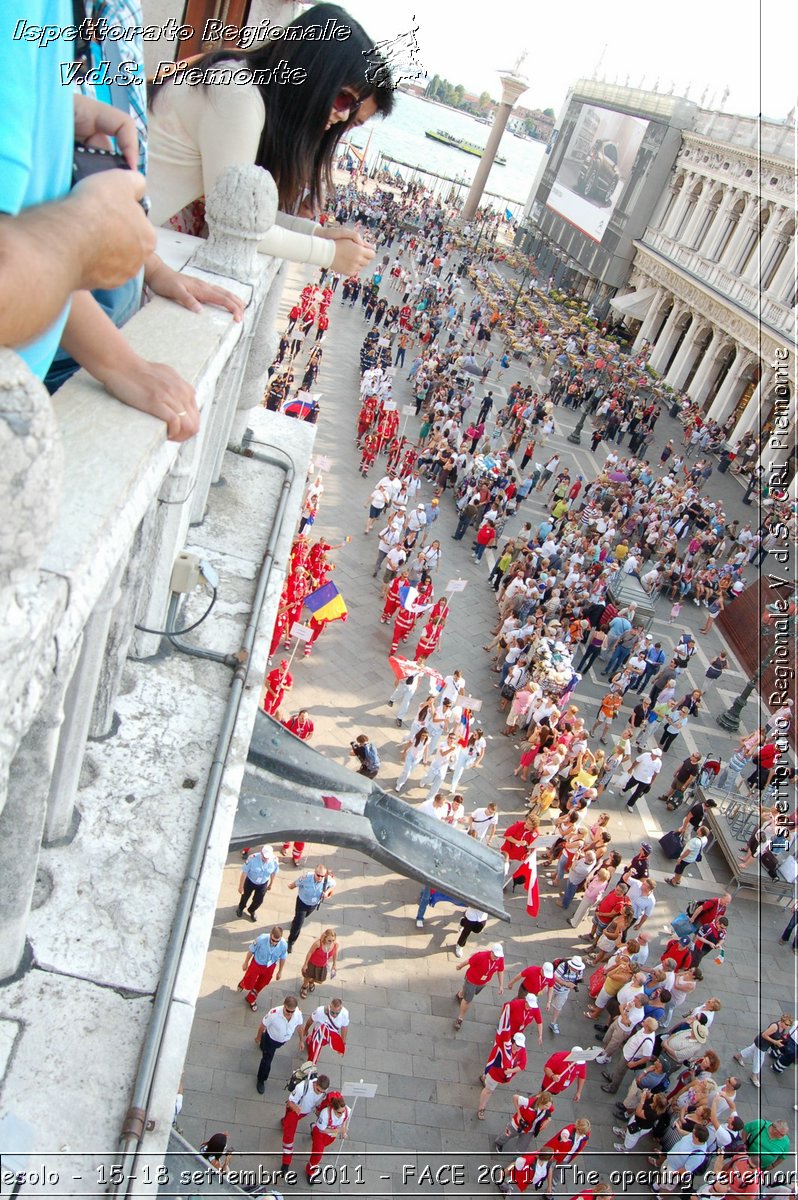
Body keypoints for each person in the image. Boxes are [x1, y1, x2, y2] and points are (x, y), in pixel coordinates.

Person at [147, 3, 393, 277]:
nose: (342, 115)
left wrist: (318, 232)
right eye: (343, 98)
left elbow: (246, 210)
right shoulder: (238, 96)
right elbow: (237, 222)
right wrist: (328, 253)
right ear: (311, 72)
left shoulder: (241, 84)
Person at [280, 1070, 330, 1172]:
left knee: (286, 1125)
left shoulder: (324, 1091)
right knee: (288, 1138)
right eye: (318, 1090)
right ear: (316, 1083)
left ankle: (284, 1122)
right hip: (294, 1112)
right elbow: (290, 1102)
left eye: (322, 1091)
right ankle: (286, 1163)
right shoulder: (301, 1087)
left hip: (304, 1112)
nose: (319, 1093)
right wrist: (296, 1109)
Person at [254, 994, 303, 1093]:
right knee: (266, 1061)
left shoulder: (297, 1013)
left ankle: (263, 1044)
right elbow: (263, 1025)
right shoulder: (274, 1014)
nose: (289, 1013)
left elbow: (300, 1026)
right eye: (287, 1010)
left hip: (282, 1040)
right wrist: (258, 1037)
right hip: (271, 1039)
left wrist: (301, 1040)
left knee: (267, 1049)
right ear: (283, 1006)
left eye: (291, 1011)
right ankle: (261, 1079)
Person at [453, 943, 505, 1031]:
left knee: (467, 991)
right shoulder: (481, 956)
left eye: (498, 956)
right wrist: (460, 966)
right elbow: (469, 961)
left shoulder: (500, 959)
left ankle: (460, 994)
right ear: (491, 952)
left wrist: (501, 985)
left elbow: (500, 970)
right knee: (467, 1000)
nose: (497, 958)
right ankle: (460, 1019)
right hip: (471, 980)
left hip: (483, 982)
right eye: (495, 956)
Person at [477, 1032, 528, 1119]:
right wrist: (487, 1071)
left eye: (520, 1046)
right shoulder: (502, 1048)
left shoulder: (521, 1050)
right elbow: (492, 1059)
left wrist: (511, 1071)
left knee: (489, 1088)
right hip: (495, 1074)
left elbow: (522, 1065)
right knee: (488, 1091)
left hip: (504, 1076)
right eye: (517, 1045)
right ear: (512, 1041)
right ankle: (481, 1108)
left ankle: (484, 1078)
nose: (519, 1048)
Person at [735, 1014, 794, 1088]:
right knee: (759, 1060)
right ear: (782, 1021)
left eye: (789, 1025)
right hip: (762, 1043)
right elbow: (764, 1035)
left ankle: (738, 1056)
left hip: (765, 1044)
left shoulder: (782, 1027)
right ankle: (754, 1075)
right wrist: (775, 1042)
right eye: (786, 1024)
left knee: (752, 1049)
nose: (787, 1026)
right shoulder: (775, 1027)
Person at [238, 925, 288, 1012]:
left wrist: (280, 971)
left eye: (277, 941)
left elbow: (283, 958)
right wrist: (246, 962)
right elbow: (251, 950)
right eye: (272, 940)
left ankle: (251, 998)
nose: (274, 943)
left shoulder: (283, 945)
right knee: (249, 984)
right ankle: (244, 982)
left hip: (270, 965)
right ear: (270, 935)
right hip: (257, 963)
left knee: (263, 983)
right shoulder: (261, 939)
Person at [286, 865, 336, 951]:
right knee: (299, 924)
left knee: (302, 917)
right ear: (314, 872)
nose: (320, 877)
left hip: (313, 904)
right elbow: (295, 884)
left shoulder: (327, 880)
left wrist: (327, 892)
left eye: (322, 876)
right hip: (302, 903)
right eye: (318, 875)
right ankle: (291, 941)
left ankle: (295, 921)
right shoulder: (306, 878)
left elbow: (334, 885)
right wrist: (290, 886)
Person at [305, 1091, 351, 1183]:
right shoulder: (325, 1114)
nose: (341, 1114)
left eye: (343, 1111)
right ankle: (310, 1171)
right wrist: (338, 1131)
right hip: (321, 1134)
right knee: (317, 1155)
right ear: (333, 1108)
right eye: (339, 1112)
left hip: (331, 1136)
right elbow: (322, 1130)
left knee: (325, 1144)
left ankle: (313, 1127)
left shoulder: (347, 1110)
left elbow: (345, 1119)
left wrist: (344, 1130)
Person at [495, 1090, 556, 1154]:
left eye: (549, 1106)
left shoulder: (548, 1107)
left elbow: (550, 1112)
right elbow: (515, 1097)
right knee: (507, 1134)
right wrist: (519, 1114)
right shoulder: (529, 1102)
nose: (548, 1108)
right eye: (546, 1106)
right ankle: (499, 1143)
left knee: (523, 1145)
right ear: (541, 1102)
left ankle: (518, 1155)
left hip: (530, 1130)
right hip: (517, 1124)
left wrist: (549, 1119)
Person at [300, 997, 350, 1064]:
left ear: (341, 1009)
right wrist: (305, 1029)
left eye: (337, 1013)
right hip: (318, 1032)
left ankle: (310, 1040)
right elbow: (311, 1019)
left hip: (330, 1034)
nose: (334, 1015)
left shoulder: (345, 1014)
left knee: (319, 1044)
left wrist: (343, 1043)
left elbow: (344, 1027)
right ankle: (310, 1066)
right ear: (330, 1007)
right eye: (332, 1012)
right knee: (314, 1054)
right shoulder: (320, 1011)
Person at [236, 845, 279, 921]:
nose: (266, 859)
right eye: (264, 857)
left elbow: (273, 873)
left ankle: (251, 910)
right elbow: (244, 873)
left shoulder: (274, 861)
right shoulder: (252, 858)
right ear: (261, 853)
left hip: (263, 883)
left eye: (267, 858)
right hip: (250, 881)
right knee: (245, 896)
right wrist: (241, 886)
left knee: (259, 900)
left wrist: (271, 883)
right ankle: (241, 908)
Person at [299, 928, 338, 1000]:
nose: (331, 942)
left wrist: (334, 964)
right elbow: (310, 953)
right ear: (325, 937)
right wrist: (305, 964)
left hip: (322, 966)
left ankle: (311, 982)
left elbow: (335, 953)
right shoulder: (318, 944)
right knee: (307, 976)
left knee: (319, 978)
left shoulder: (335, 945)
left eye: (333, 940)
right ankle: (304, 986)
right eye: (329, 940)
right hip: (312, 964)